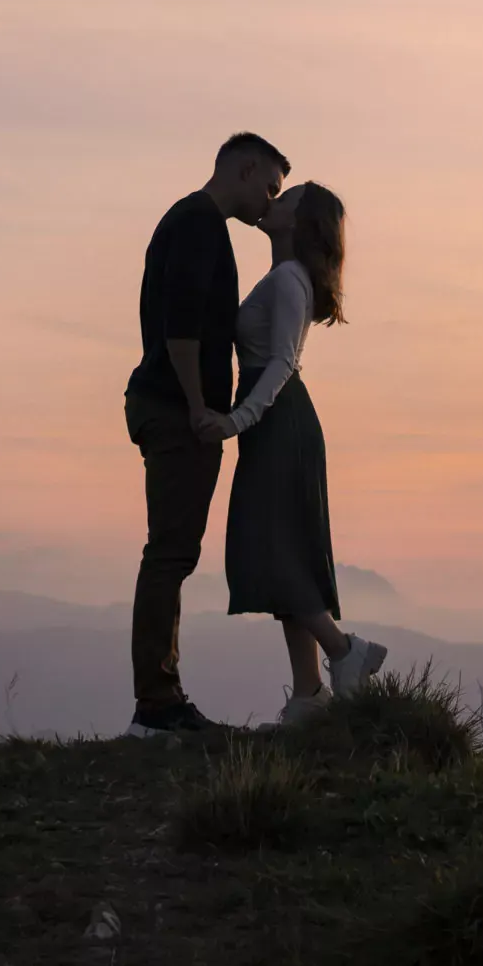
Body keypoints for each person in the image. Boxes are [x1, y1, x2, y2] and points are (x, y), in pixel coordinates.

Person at [123, 132, 288, 737]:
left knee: (172, 552)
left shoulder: (192, 222)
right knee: (169, 553)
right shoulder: (198, 224)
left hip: (162, 403)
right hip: (174, 408)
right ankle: (158, 706)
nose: (270, 203)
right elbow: (183, 326)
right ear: (243, 169)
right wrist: (198, 406)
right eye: (269, 187)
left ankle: (160, 700)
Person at [221, 181, 386, 725]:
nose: (275, 202)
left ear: (300, 220)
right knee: (280, 547)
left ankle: (343, 652)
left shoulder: (290, 280)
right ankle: (309, 694)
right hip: (274, 420)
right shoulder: (284, 277)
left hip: (278, 418)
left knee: (273, 547)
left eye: (285, 198)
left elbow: (283, 362)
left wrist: (238, 418)